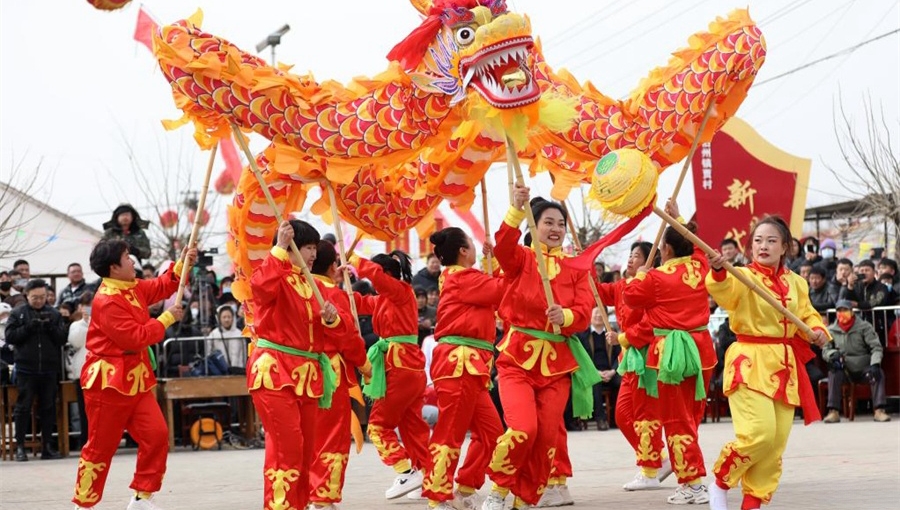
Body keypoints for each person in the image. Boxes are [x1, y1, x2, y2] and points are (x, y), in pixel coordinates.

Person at [481, 185, 595, 510]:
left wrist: (566, 315)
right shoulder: (523, 259)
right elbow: (503, 248)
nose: (555, 229)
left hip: (557, 367)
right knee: (523, 429)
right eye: (548, 222)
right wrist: (515, 210)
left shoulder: (577, 268)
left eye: (560, 223)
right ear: (535, 225)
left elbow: (585, 312)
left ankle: (525, 499)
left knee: (547, 438)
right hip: (516, 360)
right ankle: (499, 491)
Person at [706, 216, 830, 510]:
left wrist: (819, 332)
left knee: (774, 445)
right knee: (759, 434)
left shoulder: (797, 282)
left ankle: (752, 504)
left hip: (784, 367)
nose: (763, 246)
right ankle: (721, 481)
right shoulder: (743, 276)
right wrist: (719, 272)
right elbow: (725, 294)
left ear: (785, 247)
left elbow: (808, 315)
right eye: (758, 240)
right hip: (750, 362)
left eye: (771, 240)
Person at [71, 239, 194, 510]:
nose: (133, 261)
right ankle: (84, 503)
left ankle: (141, 497)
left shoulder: (132, 287)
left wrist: (182, 264)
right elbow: (134, 338)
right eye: (127, 257)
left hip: (135, 379)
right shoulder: (106, 301)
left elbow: (161, 286)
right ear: (114, 267)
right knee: (101, 447)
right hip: (108, 383)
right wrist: (166, 319)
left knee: (157, 435)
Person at [247, 220, 351, 510]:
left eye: (315, 248)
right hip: (275, 372)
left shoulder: (311, 284)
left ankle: (300, 505)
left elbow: (339, 332)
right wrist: (279, 248)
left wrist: (332, 319)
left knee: (306, 453)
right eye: (308, 247)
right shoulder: (275, 275)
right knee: (286, 450)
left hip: (306, 376)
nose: (314, 254)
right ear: (292, 247)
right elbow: (260, 289)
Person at [623, 200, 716, 506]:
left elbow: (631, 298)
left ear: (666, 249)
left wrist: (641, 274)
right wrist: (677, 219)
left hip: (671, 355)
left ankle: (692, 483)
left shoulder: (656, 278)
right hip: (701, 351)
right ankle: (690, 475)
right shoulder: (700, 265)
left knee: (676, 421)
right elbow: (702, 249)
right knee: (691, 418)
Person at [420, 227, 505, 510]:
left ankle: (466, 486)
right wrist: (501, 261)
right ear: (464, 251)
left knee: (491, 431)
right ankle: (437, 495)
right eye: (471, 243)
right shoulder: (462, 278)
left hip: (470, 365)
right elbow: (500, 289)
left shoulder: (462, 277)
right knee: (450, 431)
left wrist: (491, 262)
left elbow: (491, 287)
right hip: (459, 363)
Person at [349, 249, 431, 500]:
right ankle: (429, 478)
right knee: (413, 427)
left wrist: (353, 260)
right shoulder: (386, 297)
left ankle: (405, 470)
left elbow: (375, 277)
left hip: (401, 366)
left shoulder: (400, 291)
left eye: (377, 278)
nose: (374, 284)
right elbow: (359, 302)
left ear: (384, 275)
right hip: (408, 367)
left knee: (378, 426)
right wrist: (339, 291)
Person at [592, 241, 672, 491]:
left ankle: (649, 471)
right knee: (623, 414)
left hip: (648, 356)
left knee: (646, 415)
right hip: (629, 359)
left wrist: (621, 338)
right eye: (631, 255)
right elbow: (595, 291)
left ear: (650, 262)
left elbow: (651, 325)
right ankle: (659, 459)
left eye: (637, 256)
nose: (630, 259)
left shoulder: (655, 286)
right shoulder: (621, 286)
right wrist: (583, 268)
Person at [308, 240, 372, 510]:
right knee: (332, 436)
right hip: (330, 374)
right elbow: (348, 338)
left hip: (298, 370)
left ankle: (308, 494)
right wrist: (365, 366)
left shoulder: (299, 288)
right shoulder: (331, 295)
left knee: (308, 436)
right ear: (333, 266)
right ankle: (322, 498)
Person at [4, 279, 68, 462]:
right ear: (27, 295)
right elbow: (10, 337)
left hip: (49, 368)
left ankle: (47, 446)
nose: (39, 300)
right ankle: (21, 447)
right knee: (23, 408)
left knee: (48, 407)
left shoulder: (54, 313)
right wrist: (28, 328)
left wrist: (50, 328)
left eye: (42, 297)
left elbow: (62, 338)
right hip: (26, 368)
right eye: (35, 297)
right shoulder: (18, 314)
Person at [822, 300, 891, 423]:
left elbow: (876, 347)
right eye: (839, 311)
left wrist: (875, 363)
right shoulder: (831, 330)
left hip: (864, 367)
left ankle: (879, 410)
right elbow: (825, 349)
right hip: (844, 368)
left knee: (878, 373)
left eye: (845, 310)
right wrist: (832, 355)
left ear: (852, 312)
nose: (842, 313)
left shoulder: (864, 327)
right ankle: (834, 411)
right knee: (833, 373)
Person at [66, 292, 94, 450]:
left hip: (102, 372)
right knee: (84, 411)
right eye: (86, 305)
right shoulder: (75, 325)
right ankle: (85, 441)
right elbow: (75, 342)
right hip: (83, 373)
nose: (89, 309)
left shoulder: (104, 321)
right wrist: (85, 323)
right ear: (80, 307)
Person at [204, 305, 246, 371]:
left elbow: (243, 354)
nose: (227, 320)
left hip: (238, 369)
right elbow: (208, 352)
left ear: (233, 318)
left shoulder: (239, 334)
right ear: (219, 319)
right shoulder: (214, 334)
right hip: (219, 370)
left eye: (229, 317)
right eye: (224, 317)